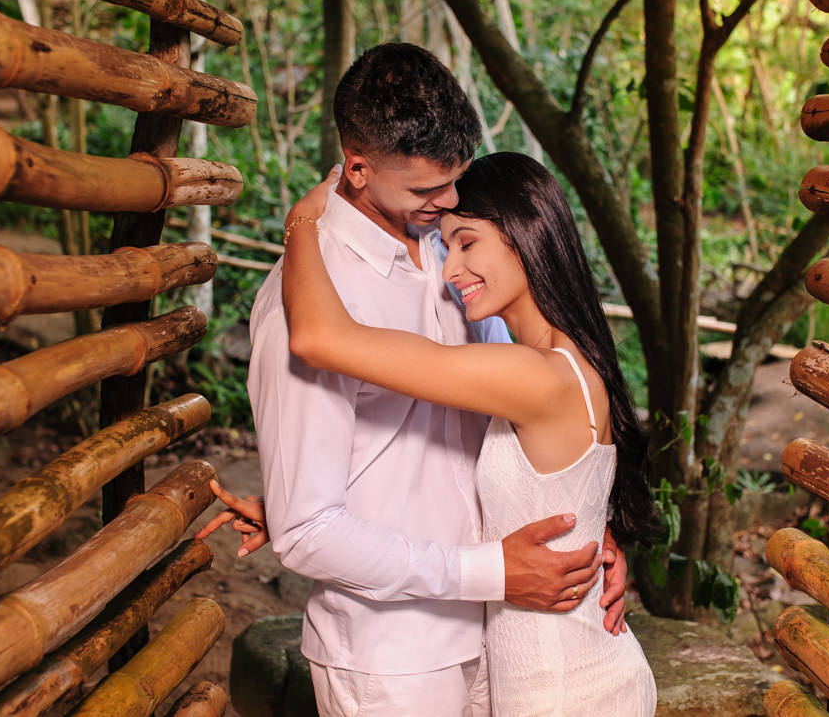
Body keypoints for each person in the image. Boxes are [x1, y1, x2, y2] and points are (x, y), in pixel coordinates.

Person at [201, 44, 630, 717]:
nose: (449, 200)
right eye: (428, 190)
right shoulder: (309, 294)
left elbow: (512, 428)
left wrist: (585, 536)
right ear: (358, 169)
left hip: (508, 633)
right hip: (394, 662)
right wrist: (492, 571)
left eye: (455, 180)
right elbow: (308, 529)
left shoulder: (455, 251)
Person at [273, 150, 659, 716]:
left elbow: (317, 338)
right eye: (446, 246)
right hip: (546, 675)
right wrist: (295, 498)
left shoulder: (536, 375)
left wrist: (302, 221)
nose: (451, 270)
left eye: (467, 242)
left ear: (525, 234)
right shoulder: (546, 361)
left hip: (567, 688)